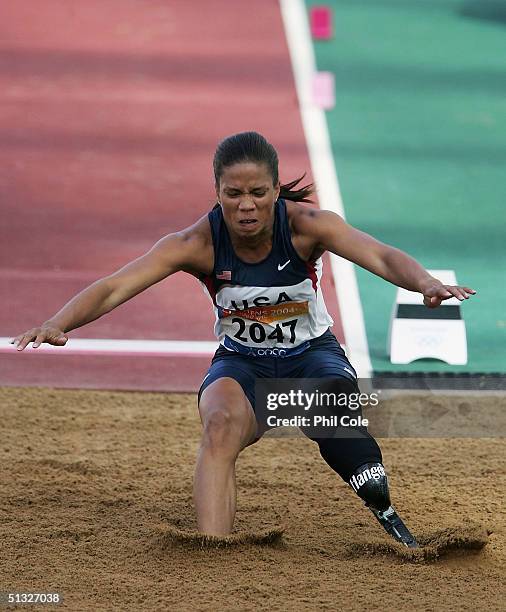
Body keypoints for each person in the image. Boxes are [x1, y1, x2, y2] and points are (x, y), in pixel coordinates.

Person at [12, 131, 475, 547]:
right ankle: (215, 556)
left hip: (312, 358)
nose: (246, 205)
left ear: (276, 190)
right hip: (243, 364)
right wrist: (61, 322)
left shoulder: (308, 225)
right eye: (233, 194)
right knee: (219, 424)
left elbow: (380, 255)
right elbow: (116, 285)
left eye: (257, 193)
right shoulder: (197, 243)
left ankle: (375, 494)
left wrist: (425, 284)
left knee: (348, 443)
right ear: (217, 192)